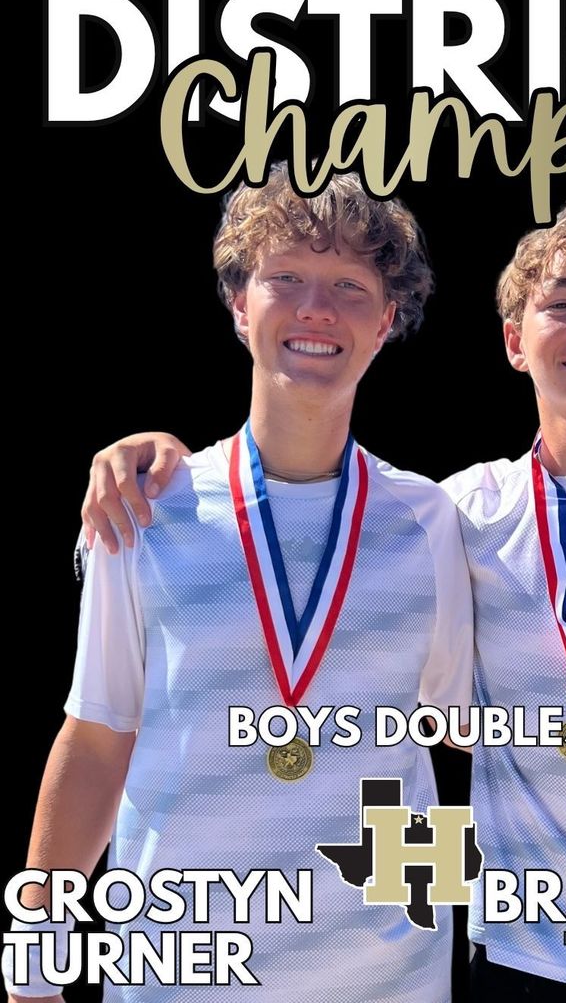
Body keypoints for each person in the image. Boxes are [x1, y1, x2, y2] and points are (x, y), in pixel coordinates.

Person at [64, 202, 566, 1001]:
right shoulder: (455, 511)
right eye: (560, 303)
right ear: (513, 341)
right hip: (522, 956)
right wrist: (150, 454)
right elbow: (430, 704)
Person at [2, 165, 473, 1003]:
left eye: (349, 285)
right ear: (238, 304)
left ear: (384, 321)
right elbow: (99, 736)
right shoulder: (143, 507)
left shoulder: (431, 520)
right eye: (285, 278)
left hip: (385, 976)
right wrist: (37, 949)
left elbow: (475, 727)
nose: (315, 308)